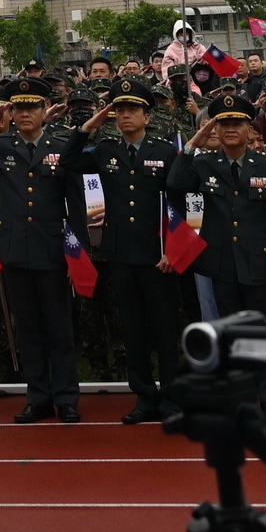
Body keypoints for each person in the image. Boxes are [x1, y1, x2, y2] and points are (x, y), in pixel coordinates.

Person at [0, 76, 86, 423]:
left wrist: (78, 252)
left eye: (33, 107)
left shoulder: (61, 145)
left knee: (59, 328)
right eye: (20, 107)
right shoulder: (2, 146)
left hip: (52, 249)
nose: (26, 113)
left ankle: (67, 398)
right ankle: (38, 397)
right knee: (27, 328)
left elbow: (77, 201)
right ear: (12, 112)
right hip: (14, 249)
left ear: (44, 111)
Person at [63, 75, 188, 425]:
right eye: (119, 110)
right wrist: (90, 125)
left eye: (132, 109)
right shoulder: (106, 150)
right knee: (131, 329)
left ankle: (172, 399)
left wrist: (174, 250)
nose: (125, 116)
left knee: (165, 329)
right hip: (120, 255)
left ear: (147, 116)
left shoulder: (165, 151)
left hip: (158, 255)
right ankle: (145, 397)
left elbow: (179, 203)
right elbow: (70, 161)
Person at [170, 91, 266, 425]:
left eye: (236, 122)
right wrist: (195, 140)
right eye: (223, 124)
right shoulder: (204, 163)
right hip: (221, 265)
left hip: (258, 263)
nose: (230, 129)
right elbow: (175, 183)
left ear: (248, 125)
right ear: (215, 130)